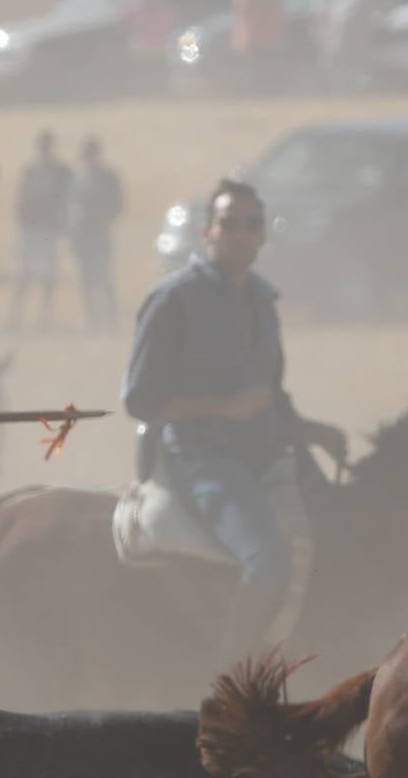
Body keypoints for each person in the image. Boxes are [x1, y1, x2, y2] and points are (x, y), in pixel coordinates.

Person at [120, 178, 349, 668]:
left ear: (263, 235)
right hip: (201, 456)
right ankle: (223, 686)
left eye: (252, 224)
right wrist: (222, 409)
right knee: (270, 559)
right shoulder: (174, 299)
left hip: (265, 454)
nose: (241, 234)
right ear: (207, 232)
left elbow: (271, 399)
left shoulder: (262, 302)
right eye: (229, 223)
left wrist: (315, 432)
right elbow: (140, 398)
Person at [8, 130, 73, 330]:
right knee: (25, 273)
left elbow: (67, 199)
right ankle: (15, 314)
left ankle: (45, 316)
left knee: (48, 275)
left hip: (49, 229)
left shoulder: (62, 172)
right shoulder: (30, 171)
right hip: (30, 228)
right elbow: (22, 198)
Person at [68, 135, 125, 331]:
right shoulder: (77, 176)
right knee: (85, 279)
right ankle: (92, 319)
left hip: (99, 233)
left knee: (104, 277)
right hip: (81, 234)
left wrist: (105, 220)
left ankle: (111, 319)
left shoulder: (108, 176)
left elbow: (118, 204)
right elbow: (71, 205)